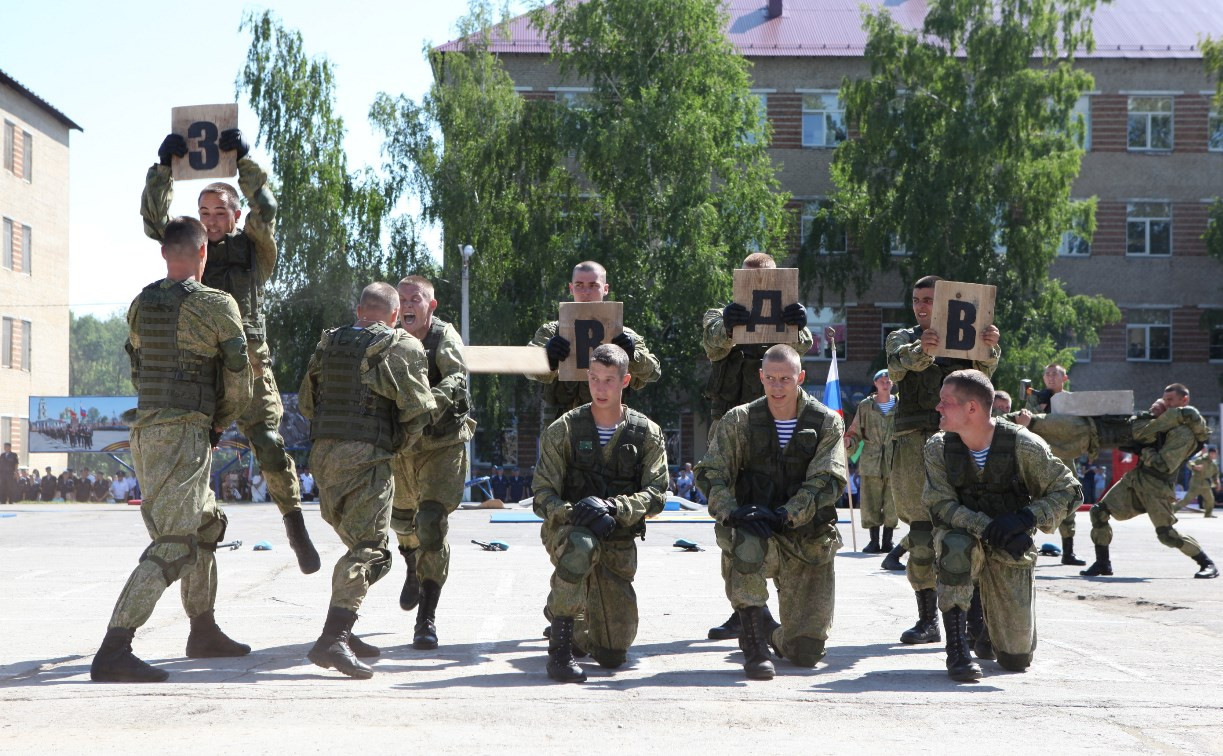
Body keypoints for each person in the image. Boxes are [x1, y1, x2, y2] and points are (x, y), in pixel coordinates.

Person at [141, 127, 320, 574]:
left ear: (236, 216)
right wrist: (163, 170)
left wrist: (242, 161)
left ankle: (294, 522)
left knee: (269, 443)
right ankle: (196, 530)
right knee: (195, 449)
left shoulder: (254, 250)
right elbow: (153, 223)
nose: (212, 218)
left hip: (250, 363)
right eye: (204, 211)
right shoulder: (190, 249)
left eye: (220, 211)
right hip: (201, 365)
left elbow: (269, 207)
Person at [90, 217, 254, 683]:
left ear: (165, 254)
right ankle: (114, 649)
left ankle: (203, 630)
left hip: (150, 429)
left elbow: (138, 367)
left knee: (206, 526)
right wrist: (222, 418)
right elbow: (240, 376)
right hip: (184, 430)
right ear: (204, 253)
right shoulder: (217, 304)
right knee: (175, 543)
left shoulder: (143, 302)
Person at [298, 282, 436, 678]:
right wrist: (397, 443)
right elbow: (418, 409)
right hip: (367, 457)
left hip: (323, 458)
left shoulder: (329, 344)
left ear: (359, 310)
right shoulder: (401, 345)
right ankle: (332, 639)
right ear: (394, 315)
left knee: (364, 551)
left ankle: (346, 625)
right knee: (371, 550)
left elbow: (308, 403)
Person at [696, 345, 846, 679]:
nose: (778, 387)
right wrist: (733, 513)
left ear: (801, 378)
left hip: (806, 539)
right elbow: (711, 474)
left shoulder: (825, 422)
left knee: (806, 653)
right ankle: (754, 645)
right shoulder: (739, 420)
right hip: (755, 533)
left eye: (786, 379)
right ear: (760, 378)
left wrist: (786, 514)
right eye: (771, 379)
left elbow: (827, 481)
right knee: (746, 544)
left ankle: (769, 630)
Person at [924, 370, 1081, 680]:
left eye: (946, 402)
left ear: (972, 408)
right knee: (956, 546)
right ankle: (957, 650)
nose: (938, 408)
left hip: (1011, 545)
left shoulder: (1023, 445)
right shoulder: (938, 447)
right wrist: (986, 527)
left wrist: (1026, 518)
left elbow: (1070, 490)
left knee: (1015, 658)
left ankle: (989, 628)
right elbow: (940, 503)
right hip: (966, 538)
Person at [533, 344, 668, 682]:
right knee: (581, 547)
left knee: (611, 654)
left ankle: (571, 617)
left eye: (609, 380)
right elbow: (542, 494)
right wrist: (574, 511)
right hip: (570, 530)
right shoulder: (563, 429)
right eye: (594, 378)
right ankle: (560, 652)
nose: (600, 387)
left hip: (617, 537)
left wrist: (614, 507)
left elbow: (656, 494)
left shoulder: (646, 433)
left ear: (625, 382)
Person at [701, 252, 814, 641]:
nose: (756, 286)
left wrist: (798, 325)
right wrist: (730, 326)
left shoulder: (784, 314)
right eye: (749, 279)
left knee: (781, 510)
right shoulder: (722, 313)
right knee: (731, 516)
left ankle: (783, 607)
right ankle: (742, 607)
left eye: (764, 279)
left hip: (779, 423)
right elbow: (712, 345)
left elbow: (804, 347)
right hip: (732, 423)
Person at [885, 275, 1000, 645]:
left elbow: (985, 378)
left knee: (966, 532)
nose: (921, 306)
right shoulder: (902, 337)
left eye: (930, 300)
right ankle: (927, 619)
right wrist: (924, 349)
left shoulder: (965, 339)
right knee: (920, 532)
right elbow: (899, 366)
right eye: (917, 300)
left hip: (959, 440)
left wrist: (990, 348)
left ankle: (974, 620)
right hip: (914, 441)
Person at [388, 274, 476, 651]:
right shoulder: (387, 337)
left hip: (441, 444)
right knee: (402, 521)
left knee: (430, 524)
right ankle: (410, 565)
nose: (408, 305)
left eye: (416, 299)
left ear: (430, 305)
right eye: (402, 299)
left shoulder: (444, 338)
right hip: (401, 448)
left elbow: (456, 377)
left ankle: (427, 616)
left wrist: (424, 406)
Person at [1081, 384, 1217, 579]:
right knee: (1099, 511)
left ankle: (1206, 563)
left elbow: (1163, 465)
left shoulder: (1184, 433)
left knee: (1166, 534)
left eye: (1170, 401)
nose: (1165, 404)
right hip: (1136, 479)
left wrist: (1143, 449)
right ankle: (1103, 563)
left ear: (1184, 401)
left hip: (1157, 486)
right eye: (1164, 400)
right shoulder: (1161, 424)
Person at [527, 261, 661, 425]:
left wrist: (633, 355)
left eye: (593, 285)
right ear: (571, 288)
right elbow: (527, 368)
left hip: (609, 428)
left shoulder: (622, 334)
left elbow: (653, 373)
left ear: (605, 289)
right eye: (579, 285)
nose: (585, 292)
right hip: (560, 430)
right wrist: (547, 357)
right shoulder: (551, 332)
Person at [1020, 363, 1086, 565]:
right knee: (1030, 500)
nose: (1050, 377)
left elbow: (1072, 425)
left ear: (1064, 379)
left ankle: (1068, 551)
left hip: (1064, 456)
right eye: (1047, 374)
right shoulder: (1033, 399)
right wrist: (1039, 407)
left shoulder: (1069, 401)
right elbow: (1026, 424)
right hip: (1040, 457)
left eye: (1055, 374)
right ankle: (1024, 548)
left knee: (1069, 499)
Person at [843, 369, 900, 554]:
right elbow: (854, 431)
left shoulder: (900, 405)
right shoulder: (866, 406)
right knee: (870, 501)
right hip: (871, 458)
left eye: (888, 380)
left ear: (892, 384)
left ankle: (888, 541)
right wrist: (849, 442)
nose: (885, 382)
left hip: (893, 459)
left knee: (892, 502)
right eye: (881, 380)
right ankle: (873, 541)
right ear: (875, 383)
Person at [1177, 447, 1219, 517]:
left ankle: (1208, 514)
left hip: (1206, 486)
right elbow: (1189, 463)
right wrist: (1194, 466)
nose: (1213, 455)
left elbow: (1215, 475)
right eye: (1212, 454)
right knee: (1186, 501)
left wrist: (1217, 482)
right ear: (1209, 453)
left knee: (1210, 500)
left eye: (1214, 454)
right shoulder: (1200, 460)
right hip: (1196, 485)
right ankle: (1172, 510)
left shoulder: (1213, 464)